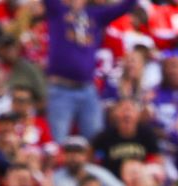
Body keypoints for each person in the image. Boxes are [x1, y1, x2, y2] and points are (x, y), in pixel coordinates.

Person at [42, 0, 135, 143]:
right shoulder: (58, 10)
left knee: (96, 141)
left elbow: (124, 7)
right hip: (60, 89)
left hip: (87, 89)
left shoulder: (96, 14)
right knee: (58, 142)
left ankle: (92, 166)